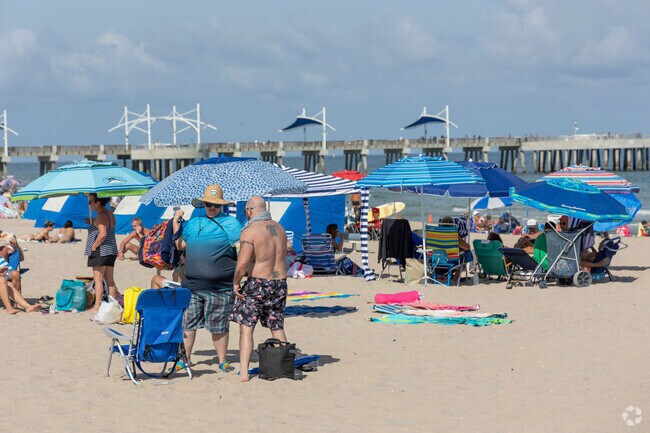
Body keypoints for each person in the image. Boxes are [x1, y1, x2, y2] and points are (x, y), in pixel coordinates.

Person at [173, 184, 242, 372]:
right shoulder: (194, 223)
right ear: (203, 204)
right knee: (188, 324)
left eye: (216, 205)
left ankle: (222, 360)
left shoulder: (231, 224)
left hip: (220, 286)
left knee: (219, 326)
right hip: (192, 285)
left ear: (222, 206)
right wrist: (175, 222)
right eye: (209, 204)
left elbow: (243, 249)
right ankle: (185, 359)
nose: (212, 208)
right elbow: (180, 245)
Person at [230, 195, 289, 382]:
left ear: (249, 211)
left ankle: (245, 372)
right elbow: (283, 251)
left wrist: (236, 282)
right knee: (276, 325)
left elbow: (243, 263)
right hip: (280, 282)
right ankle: (284, 365)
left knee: (246, 328)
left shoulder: (250, 231)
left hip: (258, 283)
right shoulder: (279, 228)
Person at [85, 193, 120, 312]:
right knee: (110, 280)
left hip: (102, 250)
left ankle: (97, 306)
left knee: (98, 278)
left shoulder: (101, 215)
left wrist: (94, 246)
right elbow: (107, 227)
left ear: (98, 202)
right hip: (111, 249)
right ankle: (113, 305)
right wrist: (94, 222)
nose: (89, 204)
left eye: (90, 201)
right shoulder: (109, 213)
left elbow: (103, 234)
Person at [0, 239, 40, 314]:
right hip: (1, 277)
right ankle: (9, 308)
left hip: (5, 274)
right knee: (2, 280)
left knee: (10, 283)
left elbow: (21, 258)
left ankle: (27, 307)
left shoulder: (4, 249)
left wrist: (17, 246)